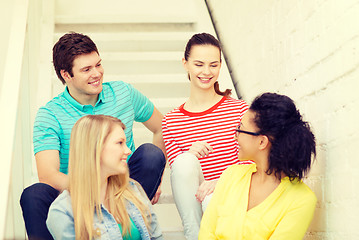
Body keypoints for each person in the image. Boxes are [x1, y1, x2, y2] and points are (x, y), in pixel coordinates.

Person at [20, 32, 166, 240]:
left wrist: (157, 176)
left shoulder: (123, 93)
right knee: (34, 194)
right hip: (75, 195)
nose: (97, 73)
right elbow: (48, 174)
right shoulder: (50, 114)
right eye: (87, 69)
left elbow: (163, 127)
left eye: (98, 64)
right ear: (66, 75)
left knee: (151, 155)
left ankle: (128, 223)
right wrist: (93, 188)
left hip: (122, 188)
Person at [162, 33, 252, 240]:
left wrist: (222, 182)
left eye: (213, 65)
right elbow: (180, 177)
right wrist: (190, 155)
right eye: (199, 64)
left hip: (232, 198)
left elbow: (252, 162)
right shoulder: (170, 121)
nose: (206, 72)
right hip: (197, 207)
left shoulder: (239, 110)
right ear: (185, 64)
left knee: (212, 199)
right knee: (184, 162)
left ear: (220, 65)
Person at [199, 92, 317, 239]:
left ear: (262, 142)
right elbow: (206, 232)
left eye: (240, 129)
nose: (235, 136)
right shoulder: (232, 174)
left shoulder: (301, 200)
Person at [46, 115, 163, 240]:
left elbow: (157, 237)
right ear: (95, 147)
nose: (128, 151)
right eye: (120, 143)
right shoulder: (63, 211)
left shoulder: (133, 190)